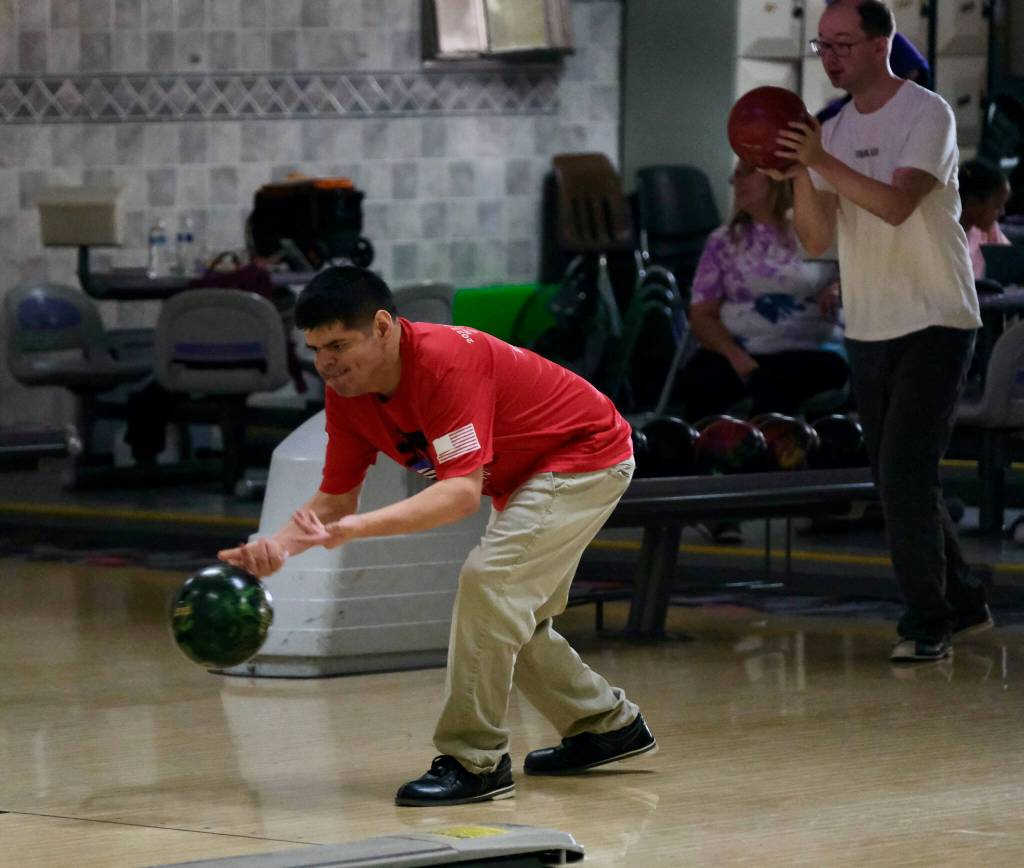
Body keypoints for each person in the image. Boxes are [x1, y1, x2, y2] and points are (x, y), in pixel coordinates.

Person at [218, 266, 656, 806]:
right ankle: (605, 725)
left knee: (489, 586)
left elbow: (458, 495)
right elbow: (334, 498)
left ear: (383, 326)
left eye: (338, 344)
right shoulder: (348, 394)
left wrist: (356, 530)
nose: (326, 363)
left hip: (584, 454)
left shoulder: (445, 362)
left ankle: (475, 762)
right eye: (315, 348)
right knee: (512, 614)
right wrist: (277, 546)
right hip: (526, 475)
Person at [770, 0, 992, 663]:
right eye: (822, 46)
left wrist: (821, 159)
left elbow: (896, 205)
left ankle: (927, 622)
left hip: (936, 315)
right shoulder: (830, 135)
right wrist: (799, 178)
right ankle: (964, 601)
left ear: (879, 44)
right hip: (869, 323)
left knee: (904, 472)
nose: (830, 57)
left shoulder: (927, 114)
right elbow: (816, 239)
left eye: (842, 43)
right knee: (898, 475)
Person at [673, 159, 849, 423]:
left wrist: (838, 287)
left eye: (745, 173)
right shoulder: (723, 241)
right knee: (701, 379)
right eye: (734, 175)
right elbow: (702, 315)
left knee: (777, 387)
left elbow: (857, 278)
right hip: (739, 352)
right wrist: (739, 359)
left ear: (778, 175)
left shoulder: (819, 234)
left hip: (811, 350)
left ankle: (764, 458)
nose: (735, 182)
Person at [958, 159, 1012, 280]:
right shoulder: (945, 234)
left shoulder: (990, 231)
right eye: (997, 207)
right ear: (973, 203)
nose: (1002, 212)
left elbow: (1011, 265)